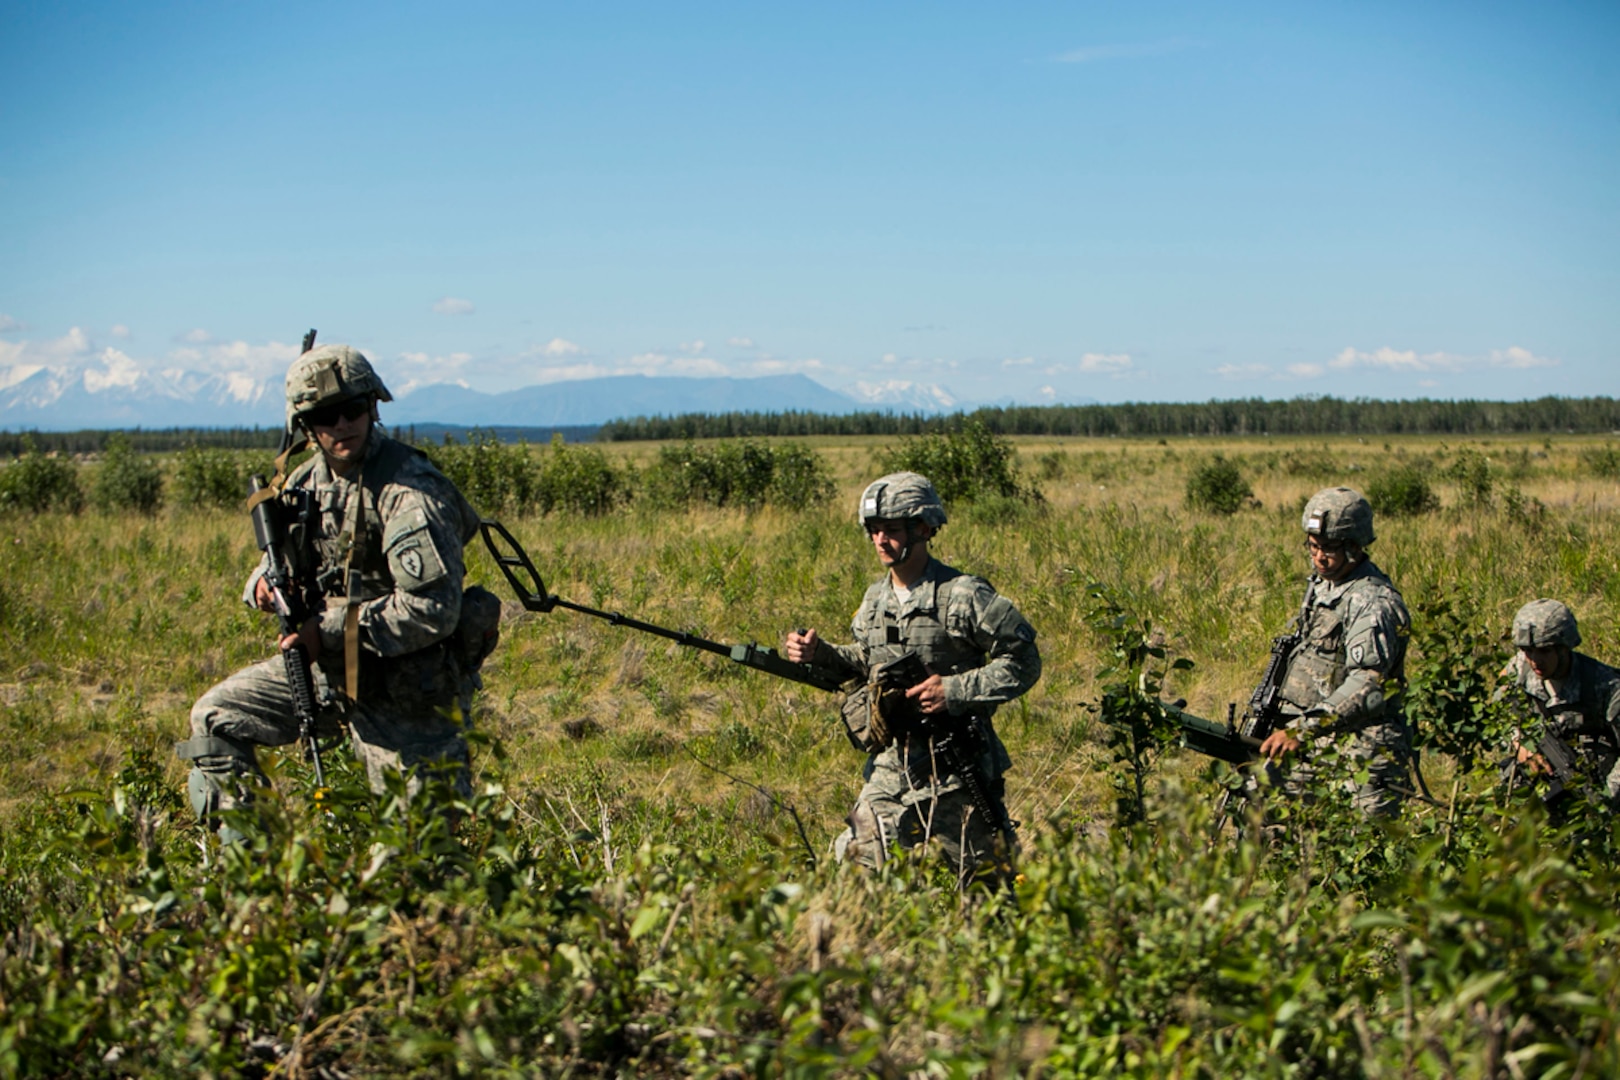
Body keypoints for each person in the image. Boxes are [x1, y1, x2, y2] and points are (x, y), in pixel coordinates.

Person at [175, 343, 497, 837]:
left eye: (352, 410)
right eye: (326, 416)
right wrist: (263, 584)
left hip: (407, 688)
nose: (341, 425)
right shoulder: (305, 482)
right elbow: (279, 560)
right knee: (216, 719)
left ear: (372, 407)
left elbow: (432, 610)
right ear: (307, 426)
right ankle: (259, 881)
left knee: (426, 857)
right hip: (328, 672)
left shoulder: (411, 494)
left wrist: (323, 629)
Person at [784, 471, 1041, 877]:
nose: (880, 541)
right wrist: (820, 654)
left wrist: (954, 690)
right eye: (873, 530)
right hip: (890, 765)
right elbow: (868, 664)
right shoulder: (875, 599)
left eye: (891, 530)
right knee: (856, 866)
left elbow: (1023, 661)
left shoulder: (964, 595)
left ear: (923, 528)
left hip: (958, 766)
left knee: (983, 885)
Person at [1256, 486, 1411, 816]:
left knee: (1367, 851)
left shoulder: (1373, 603)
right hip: (1319, 737)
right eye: (1313, 547)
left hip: (1366, 748)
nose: (1319, 557)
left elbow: (1368, 685)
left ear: (1354, 548)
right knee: (1263, 809)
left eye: (1329, 549)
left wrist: (1302, 729)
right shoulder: (1322, 586)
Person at [1499, 598, 1620, 807]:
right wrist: (1519, 743)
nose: (1535, 660)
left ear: (1564, 648)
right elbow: (1498, 712)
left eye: (1545, 651)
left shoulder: (1604, 685)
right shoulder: (1518, 669)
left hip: (1599, 790)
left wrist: (1605, 801)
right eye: (1528, 650)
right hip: (1545, 786)